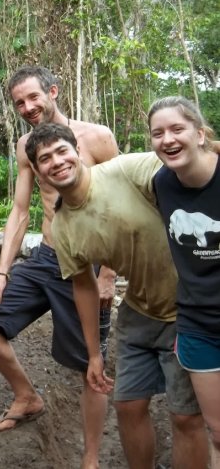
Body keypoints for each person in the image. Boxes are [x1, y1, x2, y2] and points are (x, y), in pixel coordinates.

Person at [26, 122, 208, 469]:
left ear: (77, 152)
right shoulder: (63, 227)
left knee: (185, 416)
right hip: (138, 312)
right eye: (45, 158)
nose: (56, 162)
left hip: (188, 309)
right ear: (38, 171)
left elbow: (187, 165)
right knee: (127, 406)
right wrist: (94, 354)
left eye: (62, 151)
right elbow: (84, 287)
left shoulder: (125, 170)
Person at [0, 66, 117, 467]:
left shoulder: (97, 137)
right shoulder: (25, 145)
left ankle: (91, 457)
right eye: (19, 103)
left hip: (88, 264)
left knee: (90, 367)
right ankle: (27, 396)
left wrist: (108, 276)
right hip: (46, 257)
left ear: (53, 91)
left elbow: (122, 208)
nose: (28, 108)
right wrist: (1, 271)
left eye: (33, 97)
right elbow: (19, 210)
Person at [148, 97, 220, 468]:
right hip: (198, 323)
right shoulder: (162, 183)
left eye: (177, 129)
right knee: (218, 432)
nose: (168, 139)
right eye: (158, 133)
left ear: (200, 133)